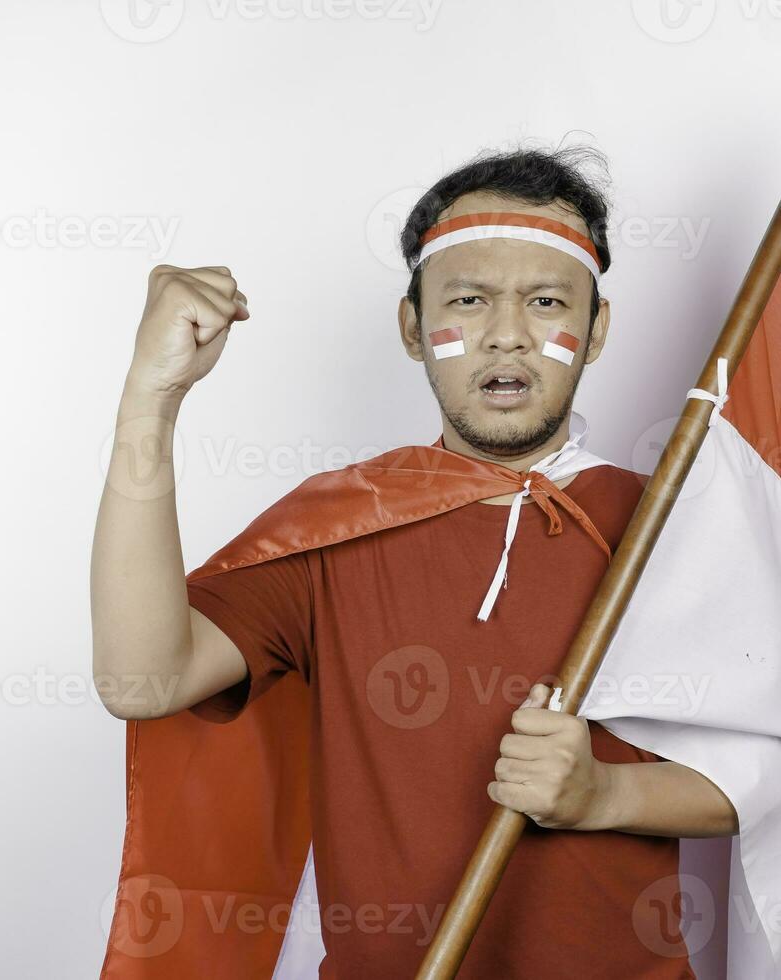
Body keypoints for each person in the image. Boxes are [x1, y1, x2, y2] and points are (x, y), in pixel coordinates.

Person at [90, 146, 737, 977]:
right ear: (411, 327)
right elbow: (140, 681)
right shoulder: (335, 528)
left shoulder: (671, 521)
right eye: (468, 300)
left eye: (546, 301)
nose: (507, 333)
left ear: (598, 330)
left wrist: (604, 795)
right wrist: (152, 395)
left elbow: (778, 767)